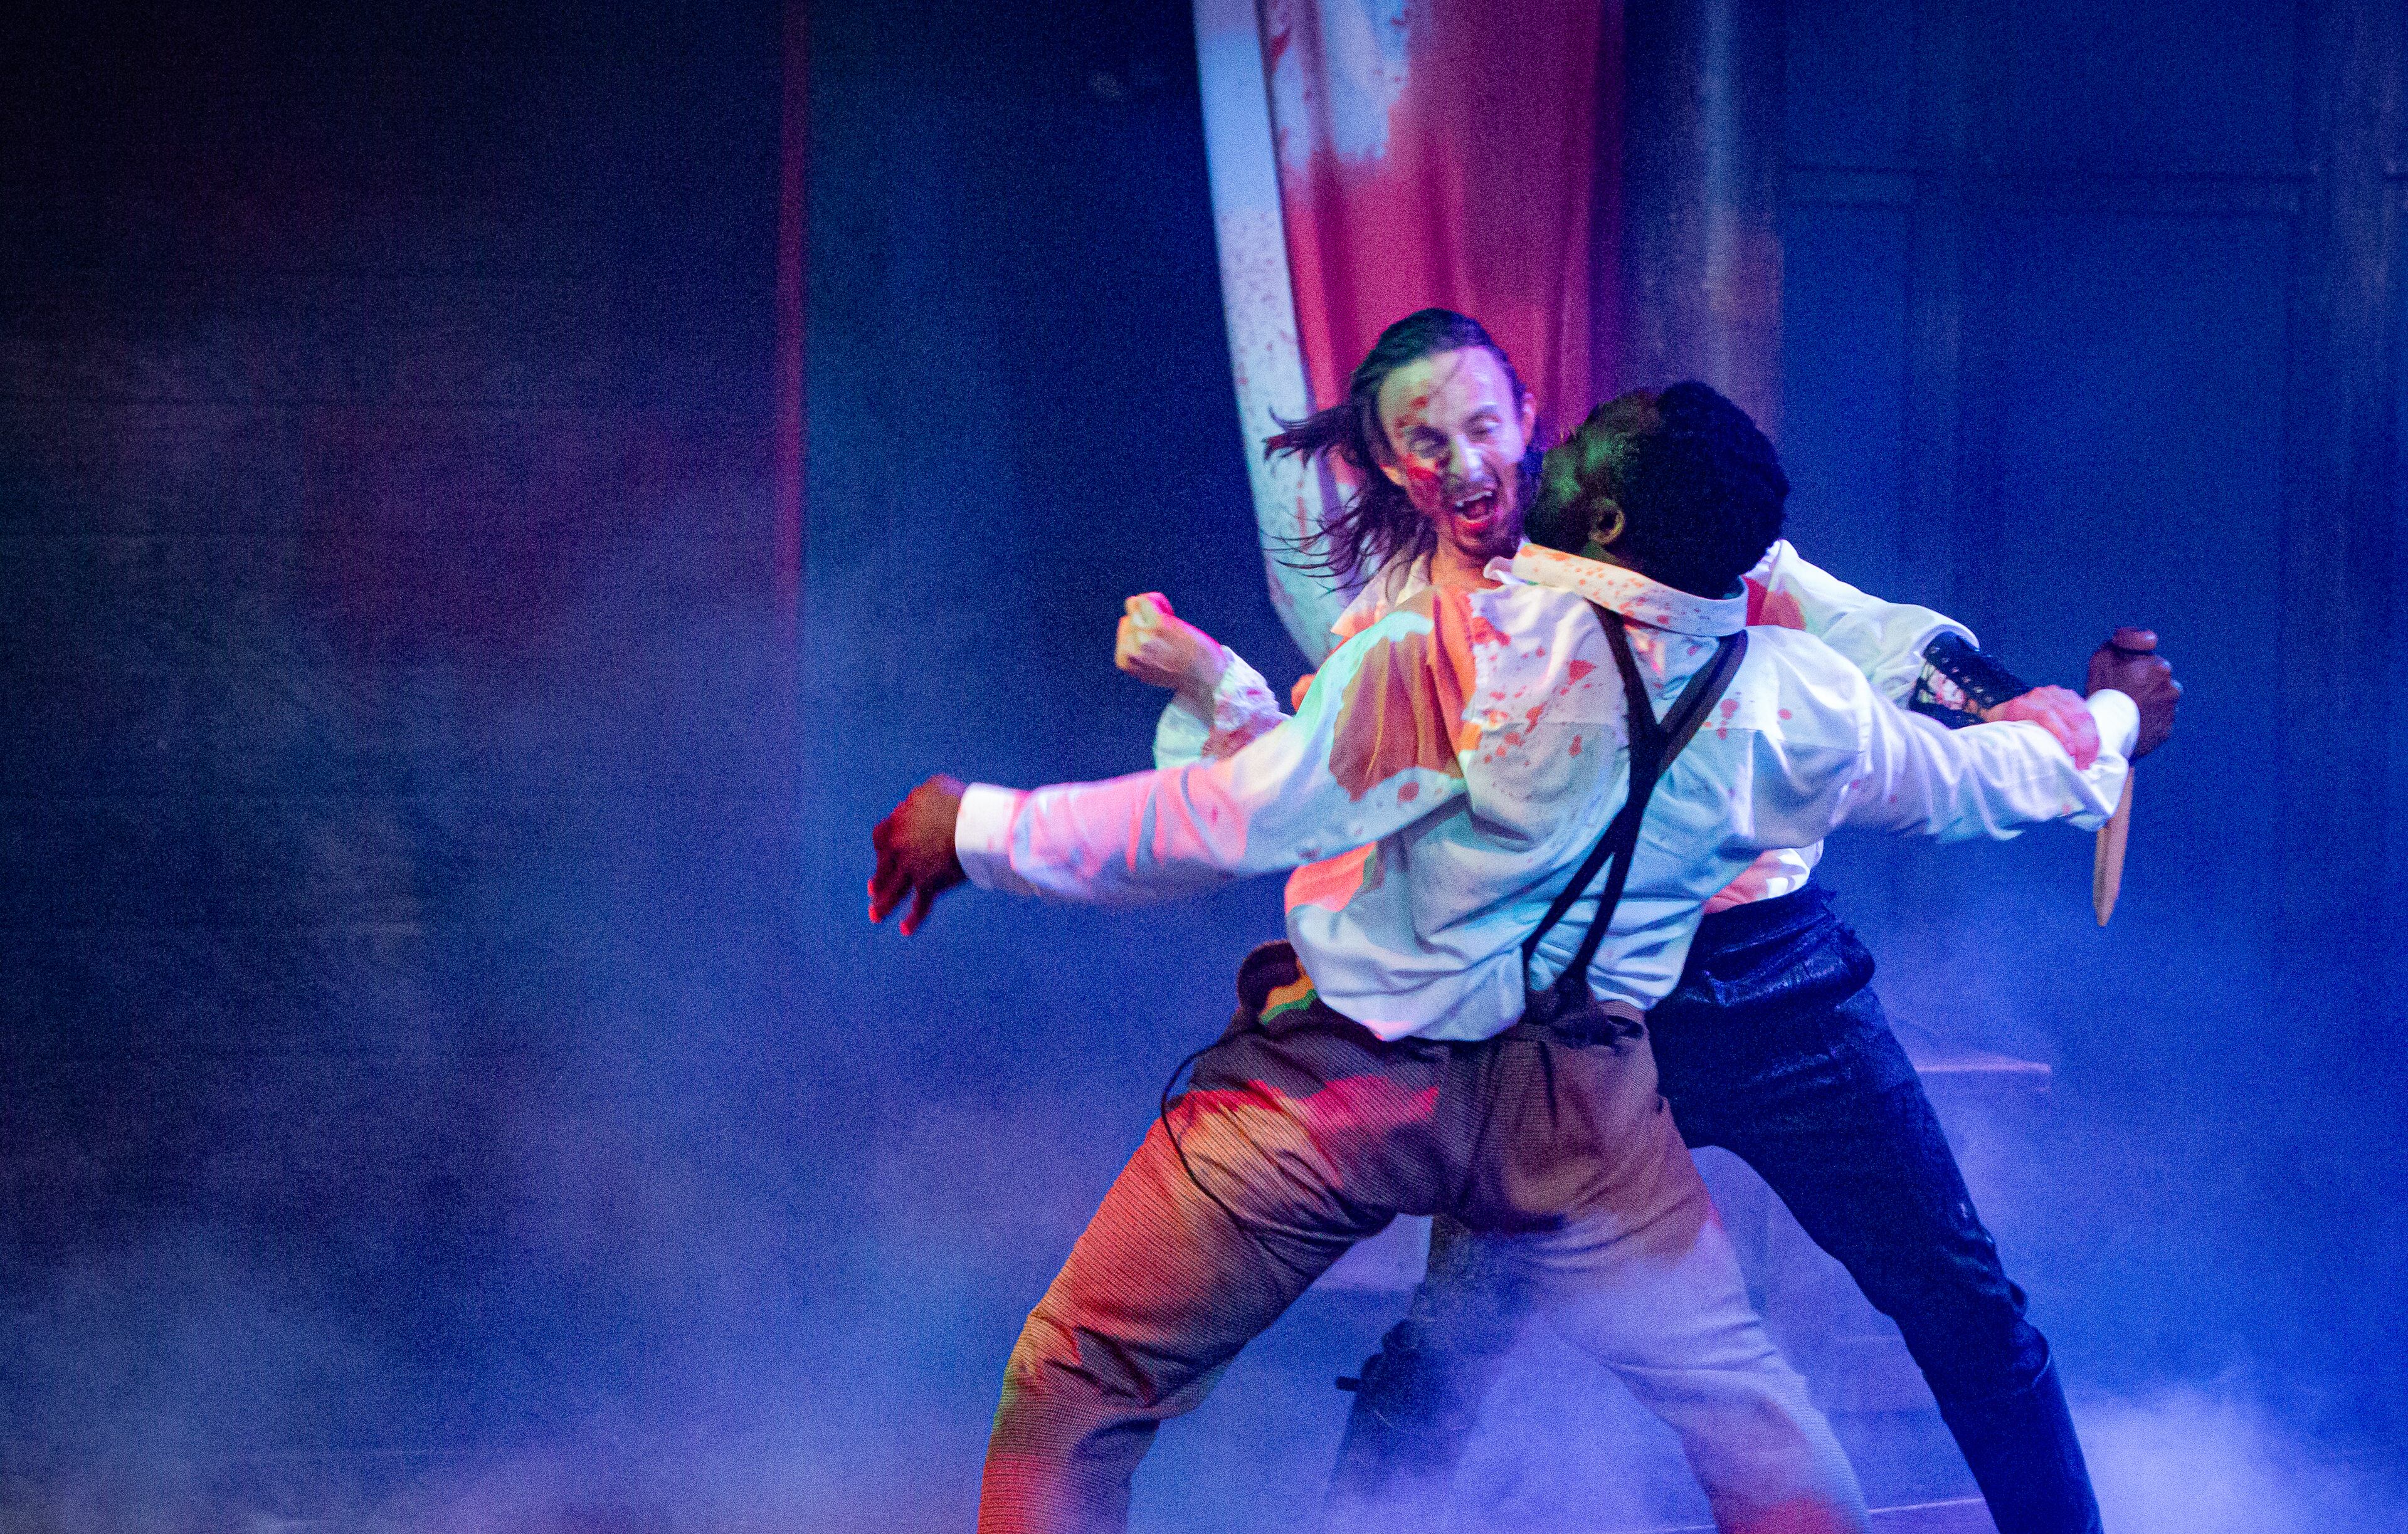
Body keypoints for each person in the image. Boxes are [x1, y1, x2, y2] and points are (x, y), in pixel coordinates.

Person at [869, 373, 2167, 1534]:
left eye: (1503, 425)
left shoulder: (1514, 627)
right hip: (1570, 1076)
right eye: (1424, 435)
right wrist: (2102, 727)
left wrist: (977, 830)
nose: (1479, 456)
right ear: (1392, 465)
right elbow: (1989, 779)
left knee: (1089, 1371)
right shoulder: (1738, 679)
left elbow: (1235, 819)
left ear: (1581, 488)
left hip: (1559, 1040)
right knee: (1642, 1399)